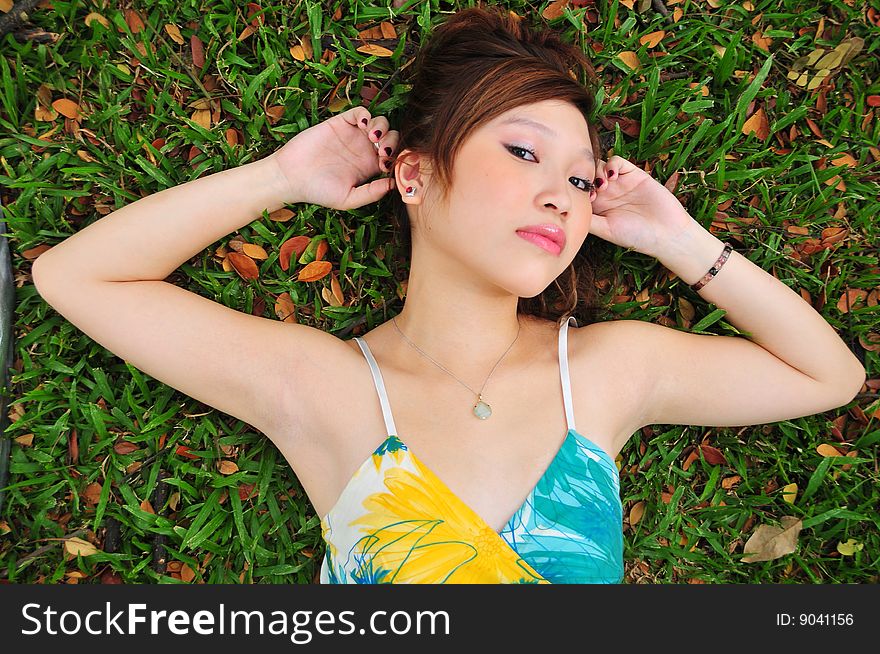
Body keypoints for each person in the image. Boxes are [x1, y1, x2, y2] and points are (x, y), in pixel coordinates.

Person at [32, 6, 866, 584]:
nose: (563, 196)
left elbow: (825, 376)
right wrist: (279, 179)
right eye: (525, 153)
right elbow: (74, 277)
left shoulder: (608, 372)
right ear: (416, 174)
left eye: (582, 179)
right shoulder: (323, 389)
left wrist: (679, 242)